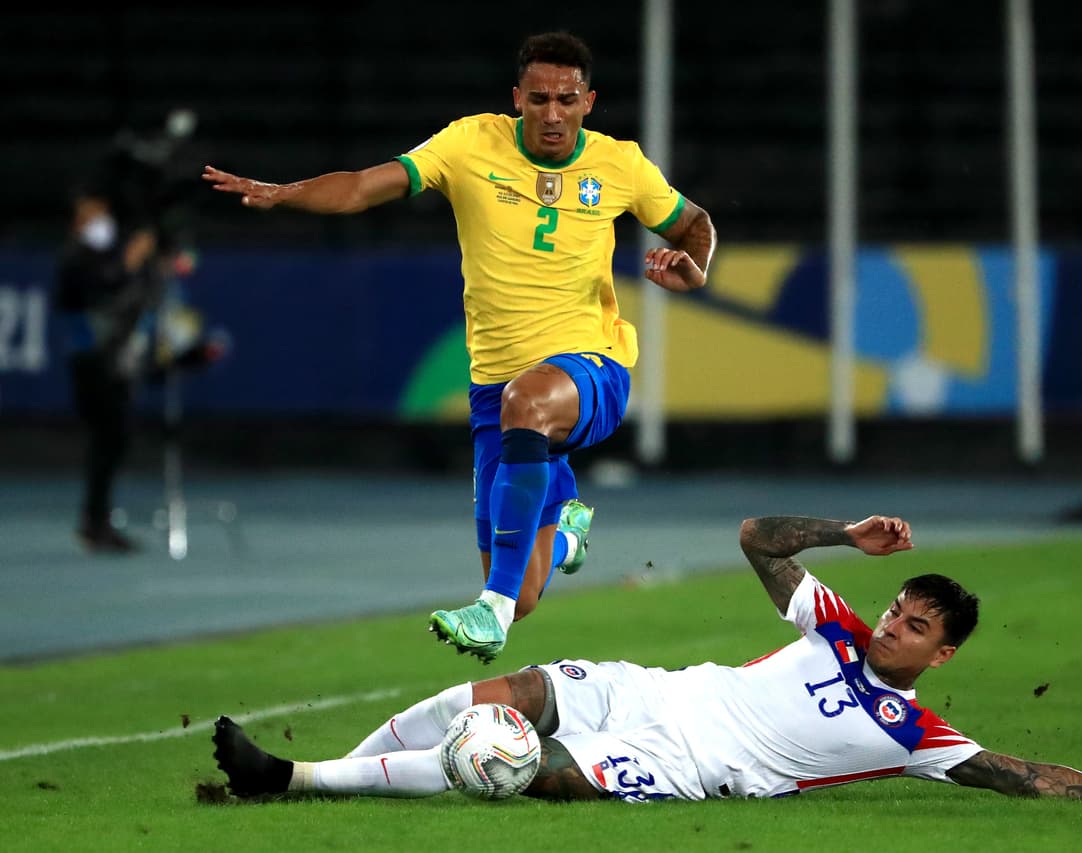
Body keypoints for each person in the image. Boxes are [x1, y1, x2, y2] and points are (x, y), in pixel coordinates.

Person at [202, 31, 717, 664]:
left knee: (527, 409)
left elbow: (695, 224)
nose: (552, 113)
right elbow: (363, 186)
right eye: (539, 99)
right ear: (516, 98)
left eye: (566, 99)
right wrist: (284, 193)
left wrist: (694, 269)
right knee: (525, 590)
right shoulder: (469, 144)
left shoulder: (621, 165)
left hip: (593, 371)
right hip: (496, 393)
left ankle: (489, 611)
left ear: (589, 102)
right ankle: (565, 540)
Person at [211, 513, 1082, 802]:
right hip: (657, 691)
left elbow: (1033, 778)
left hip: (692, 763)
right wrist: (845, 535)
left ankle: (294, 780)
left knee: (516, 765)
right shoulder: (833, 622)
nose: (890, 624)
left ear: (940, 654)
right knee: (499, 691)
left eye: (913, 627)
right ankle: (321, 773)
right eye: (895, 607)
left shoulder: (913, 732)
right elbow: (756, 539)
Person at [54, 189, 161, 553]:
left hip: (112, 358)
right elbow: (103, 287)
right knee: (108, 438)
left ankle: (96, 520)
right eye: (90, 215)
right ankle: (95, 522)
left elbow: (132, 293)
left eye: (101, 213)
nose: (99, 222)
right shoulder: (75, 258)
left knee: (113, 440)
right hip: (91, 360)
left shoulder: (103, 254)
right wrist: (131, 259)